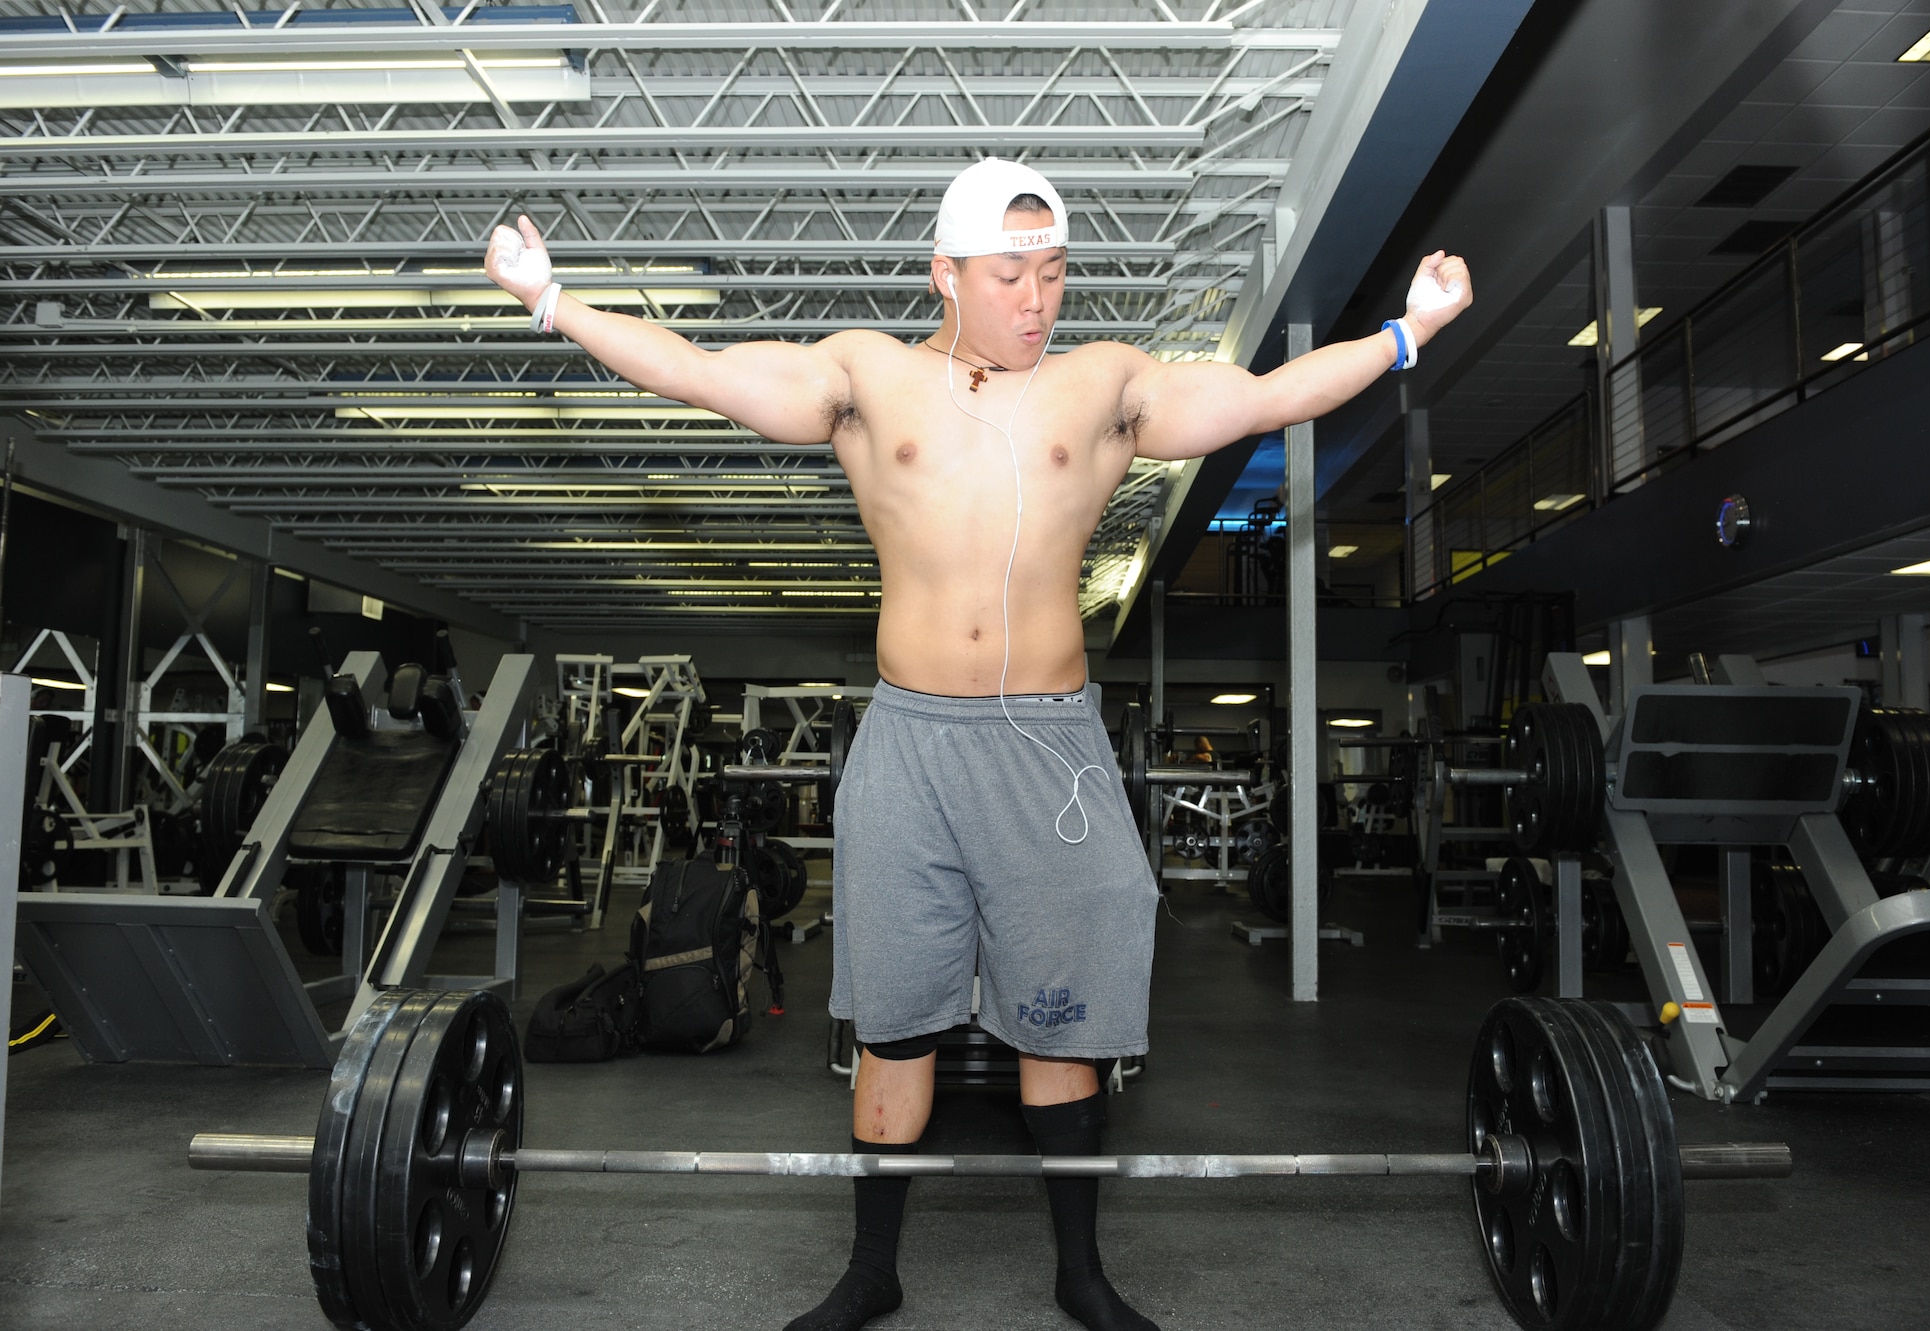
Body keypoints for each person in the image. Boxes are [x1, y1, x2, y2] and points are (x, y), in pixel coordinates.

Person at [484, 157, 1471, 1331]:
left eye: (1052, 272)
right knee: (894, 1020)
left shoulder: (1101, 386)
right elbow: (701, 374)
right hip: (908, 742)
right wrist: (552, 302)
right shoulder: (868, 375)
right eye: (1010, 275)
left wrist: (1402, 337)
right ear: (943, 273)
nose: (1037, 298)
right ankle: (870, 1271)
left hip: (1048, 747)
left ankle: (1081, 1272)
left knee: (1065, 1020)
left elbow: (1258, 399)